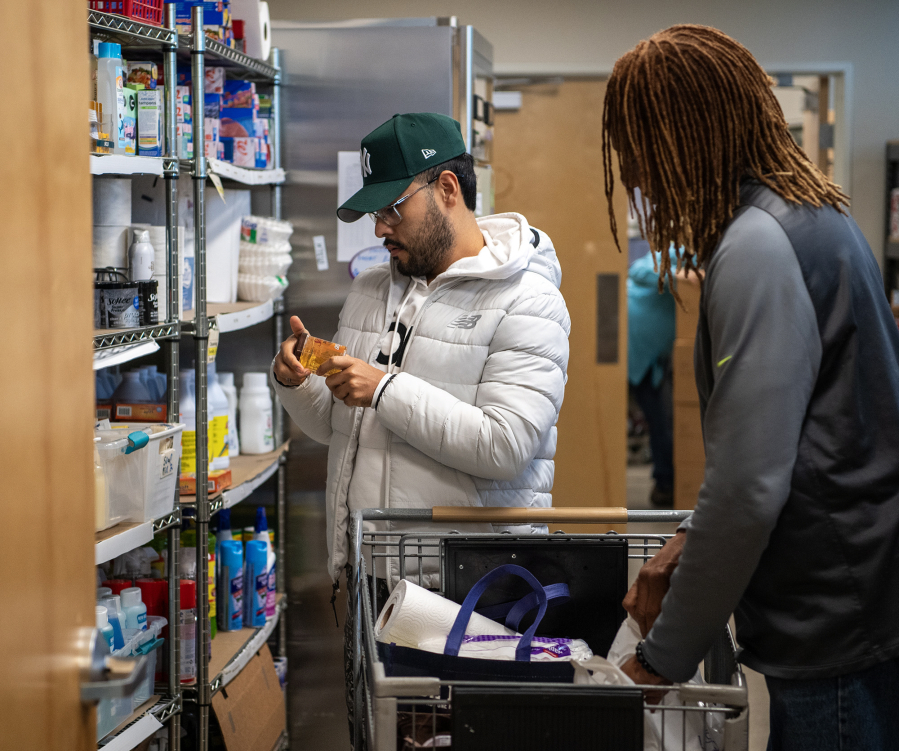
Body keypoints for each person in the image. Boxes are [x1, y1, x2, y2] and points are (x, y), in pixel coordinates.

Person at [603, 25, 899, 749]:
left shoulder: (756, 247)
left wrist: (657, 659)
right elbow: (783, 440)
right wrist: (685, 538)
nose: (633, 175)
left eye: (636, 150)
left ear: (682, 137)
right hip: (858, 594)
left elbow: (747, 488)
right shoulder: (805, 215)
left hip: (832, 617)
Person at [271, 112, 570, 744]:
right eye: (372, 214)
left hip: (467, 588)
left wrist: (384, 387)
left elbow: (506, 444)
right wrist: (296, 385)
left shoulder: (527, 299)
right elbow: (338, 427)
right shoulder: (373, 291)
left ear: (447, 191)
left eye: (391, 210)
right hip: (367, 580)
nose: (380, 229)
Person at [627, 245, 679, 507]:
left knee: (662, 422)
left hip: (649, 356)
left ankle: (665, 483)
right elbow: (638, 270)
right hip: (628, 346)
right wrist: (681, 278)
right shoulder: (677, 252)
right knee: (661, 422)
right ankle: (666, 484)